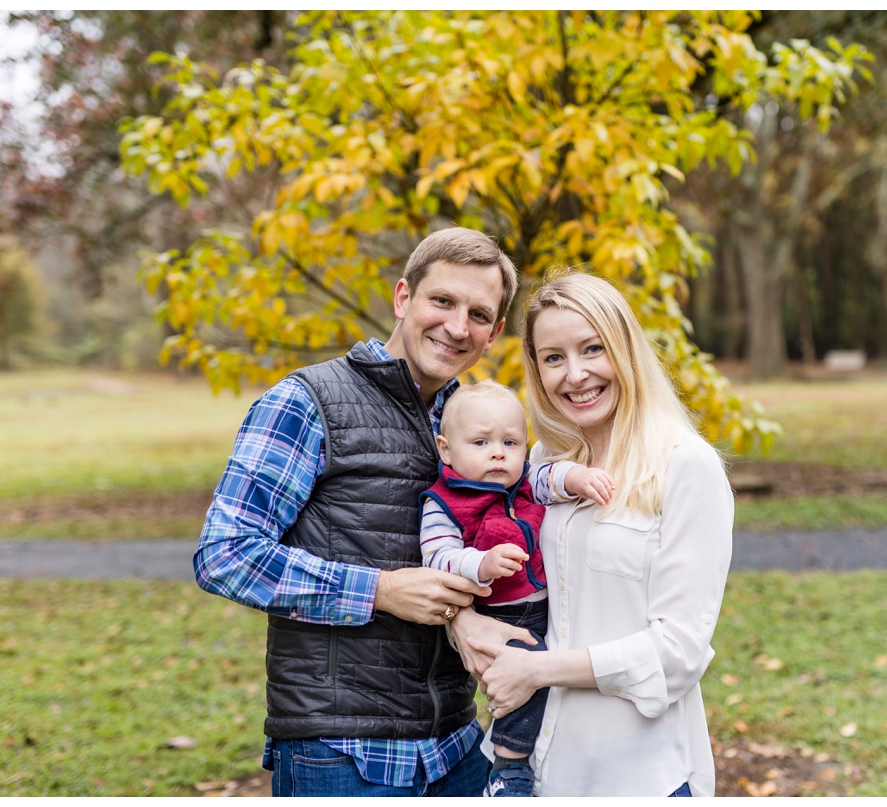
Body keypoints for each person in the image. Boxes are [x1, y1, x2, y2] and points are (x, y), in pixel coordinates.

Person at [194, 227, 537, 797]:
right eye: (442, 301)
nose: (457, 326)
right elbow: (224, 555)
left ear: (494, 333)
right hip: (342, 753)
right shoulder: (307, 402)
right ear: (404, 299)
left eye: (478, 313)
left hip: (457, 744)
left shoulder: (479, 426)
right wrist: (377, 590)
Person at [461, 272, 735, 797]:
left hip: (640, 774)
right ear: (537, 370)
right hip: (532, 767)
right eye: (554, 357)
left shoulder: (684, 465)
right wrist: (465, 620)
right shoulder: (539, 463)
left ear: (625, 350)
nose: (576, 374)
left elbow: (677, 652)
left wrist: (537, 670)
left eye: (593, 348)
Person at [417, 380, 614, 796]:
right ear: (446, 449)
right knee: (528, 674)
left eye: (511, 442)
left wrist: (578, 478)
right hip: (498, 616)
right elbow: (436, 556)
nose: (498, 453)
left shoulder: (521, 482)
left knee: (557, 675)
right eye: (481, 442)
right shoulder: (444, 502)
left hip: (546, 607)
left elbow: (550, 477)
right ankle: (509, 765)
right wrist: (481, 565)